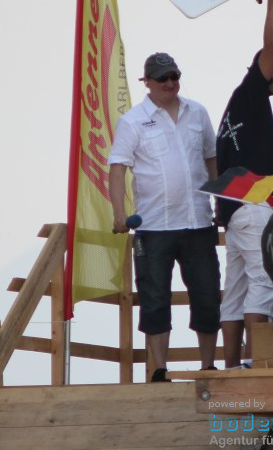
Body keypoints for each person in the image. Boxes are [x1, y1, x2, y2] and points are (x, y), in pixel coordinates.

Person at [108, 52, 221, 382]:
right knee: (154, 297)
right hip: (154, 226)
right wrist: (119, 214)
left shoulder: (197, 112)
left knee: (207, 293)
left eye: (174, 76)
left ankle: (208, 367)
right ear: (148, 83)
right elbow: (117, 169)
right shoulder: (133, 121)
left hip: (198, 221)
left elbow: (212, 159)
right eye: (163, 78)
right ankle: (159, 369)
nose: (170, 83)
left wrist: (219, 204)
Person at [215, 0, 273, 369]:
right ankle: (255, 366)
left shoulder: (235, 108)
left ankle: (231, 368)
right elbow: (271, 45)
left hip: (234, 210)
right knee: (266, 283)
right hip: (252, 207)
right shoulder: (250, 91)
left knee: (236, 289)